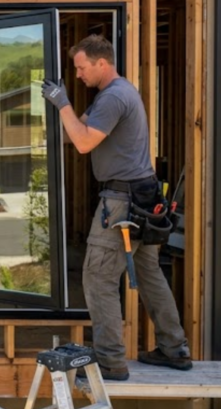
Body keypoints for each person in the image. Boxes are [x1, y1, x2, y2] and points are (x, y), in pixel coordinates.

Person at [41, 34, 191, 381]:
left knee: (97, 277)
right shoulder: (115, 95)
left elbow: (81, 143)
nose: (77, 75)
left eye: (81, 68)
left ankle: (110, 360)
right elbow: (75, 131)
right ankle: (174, 348)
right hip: (142, 197)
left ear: (101, 63)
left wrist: (62, 103)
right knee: (151, 275)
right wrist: (53, 119)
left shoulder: (113, 98)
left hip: (121, 203)